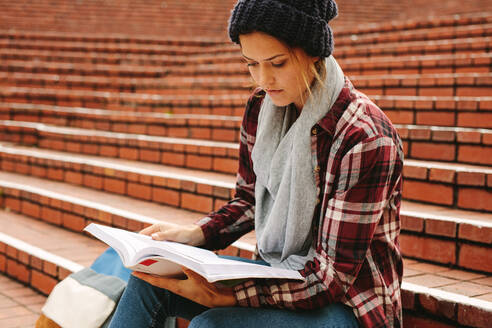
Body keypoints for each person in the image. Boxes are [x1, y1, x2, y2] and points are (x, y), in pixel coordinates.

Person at [108, 0, 404, 327]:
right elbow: (249, 200)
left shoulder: (363, 137)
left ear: (313, 52)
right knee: (148, 283)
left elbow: (330, 279)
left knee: (211, 326)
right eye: (251, 64)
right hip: (278, 274)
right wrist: (194, 235)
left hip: (347, 306)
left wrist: (232, 297)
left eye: (277, 63)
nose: (264, 79)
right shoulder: (262, 107)